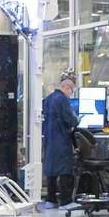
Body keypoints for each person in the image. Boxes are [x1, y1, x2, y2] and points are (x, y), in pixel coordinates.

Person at [41, 71, 77, 209]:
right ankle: (66, 201)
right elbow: (70, 120)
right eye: (72, 90)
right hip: (61, 140)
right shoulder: (62, 100)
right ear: (67, 87)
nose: (71, 93)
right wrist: (77, 119)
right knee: (65, 170)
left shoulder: (49, 98)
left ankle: (51, 200)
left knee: (51, 170)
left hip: (50, 140)